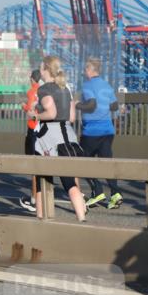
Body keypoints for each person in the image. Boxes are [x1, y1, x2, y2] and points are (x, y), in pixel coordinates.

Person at [34, 55, 88, 222]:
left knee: (42, 180)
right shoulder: (65, 89)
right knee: (70, 182)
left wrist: (35, 116)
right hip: (68, 135)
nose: (40, 71)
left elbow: (51, 113)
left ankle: (41, 219)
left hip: (49, 138)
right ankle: (82, 219)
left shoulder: (43, 89)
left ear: (45, 70)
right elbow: (71, 117)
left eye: (41, 68)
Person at [78, 57, 123, 209]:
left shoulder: (87, 85)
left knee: (83, 162)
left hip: (91, 131)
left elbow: (91, 105)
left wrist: (78, 105)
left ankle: (97, 191)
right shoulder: (107, 85)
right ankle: (115, 194)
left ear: (91, 70)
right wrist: (103, 109)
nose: (84, 71)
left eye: (86, 68)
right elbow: (115, 106)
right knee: (107, 163)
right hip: (108, 131)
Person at [17, 69, 42, 213]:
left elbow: (31, 111)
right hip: (42, 130)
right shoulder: (44, 90)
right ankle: (39, 199)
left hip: (33, 129)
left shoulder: (32, 91)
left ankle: (34, 200)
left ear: (32, 79)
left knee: (33, 167)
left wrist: (23, 106)